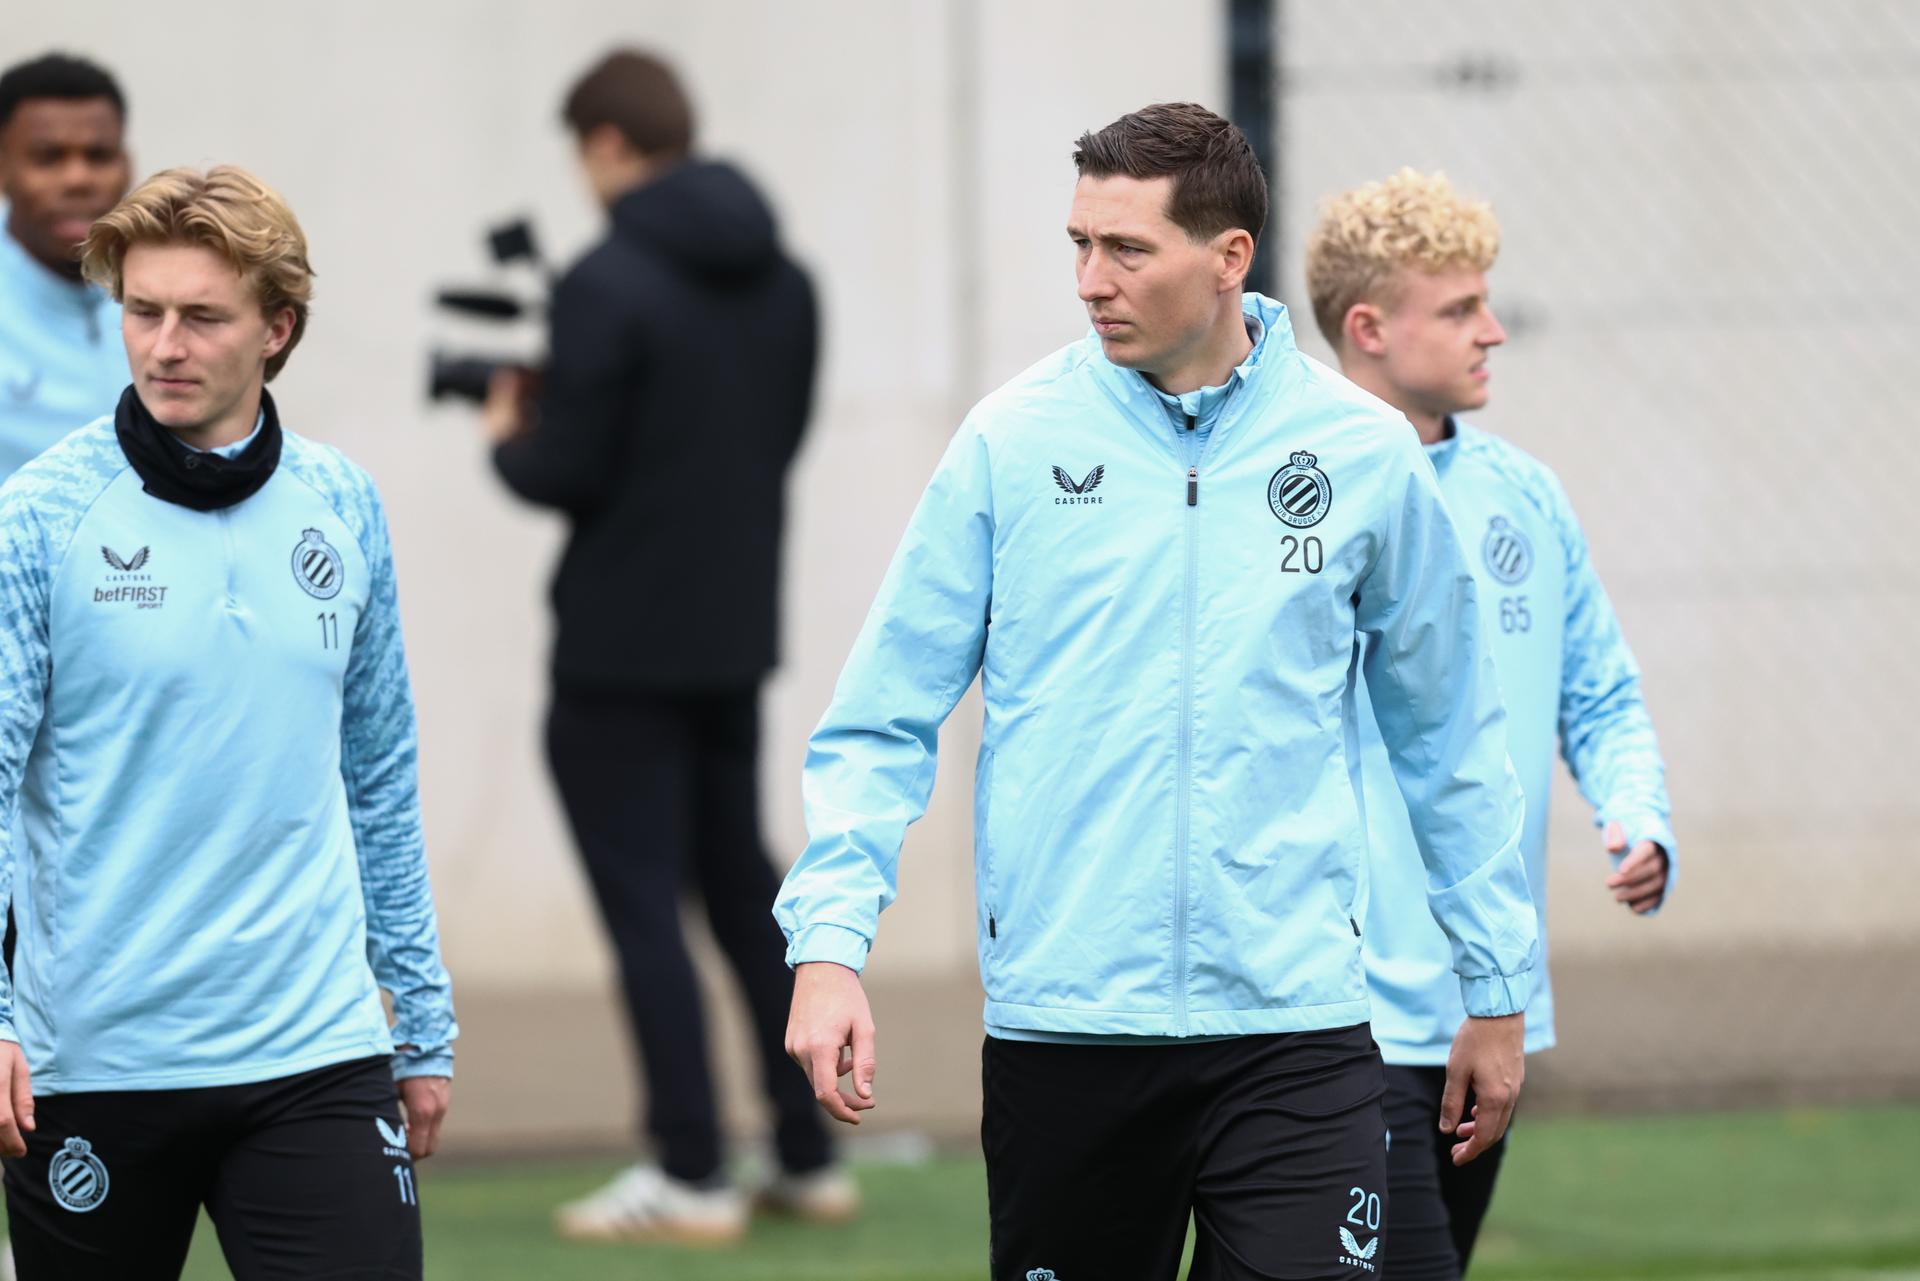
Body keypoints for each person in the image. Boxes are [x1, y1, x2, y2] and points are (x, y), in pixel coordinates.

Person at [778, 103, 1540, 1281]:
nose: (1090, 280)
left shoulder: (1361, 454)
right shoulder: (1010, 446)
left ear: (1229, 257)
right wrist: (829, 945)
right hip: (1068, 1031)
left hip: (1294, 1030)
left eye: (1126, 249)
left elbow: (1451, 736)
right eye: (1079, 243)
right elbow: (883, 715)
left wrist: (1495, 984)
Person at [0, 165, 456, 1281]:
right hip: (95, 1062)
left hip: (317, 1054)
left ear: (278, 328)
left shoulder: (343, 503)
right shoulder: (39, 518)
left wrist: (422, 1018)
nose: (164, 344)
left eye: (202, 317)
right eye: (142, 311)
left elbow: (381, 773)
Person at [479, 49, 846, 1243]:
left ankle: (690, 1170)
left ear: (606, 144)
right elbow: (774, 438)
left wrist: (505, 432)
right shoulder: (787, 279)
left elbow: (566, 467)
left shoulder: (605, 280)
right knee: (744, 893)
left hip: (617, 653)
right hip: (733, 639)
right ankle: (806, 1152)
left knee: (647, 910)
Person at [1305, 168, 1675, 1280]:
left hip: (1490, 1003)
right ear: (1370, 329)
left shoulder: (1525, 497)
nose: (1494, 331)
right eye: (1461, 309)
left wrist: (1638, 811)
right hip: (1336, 1011)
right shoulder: (1295, 493)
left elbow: (1600, 693)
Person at [0, 52, 132, 483]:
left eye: (98, 155)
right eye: (48, 157)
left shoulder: (163, 293)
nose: (78, 179)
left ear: (126, 165)